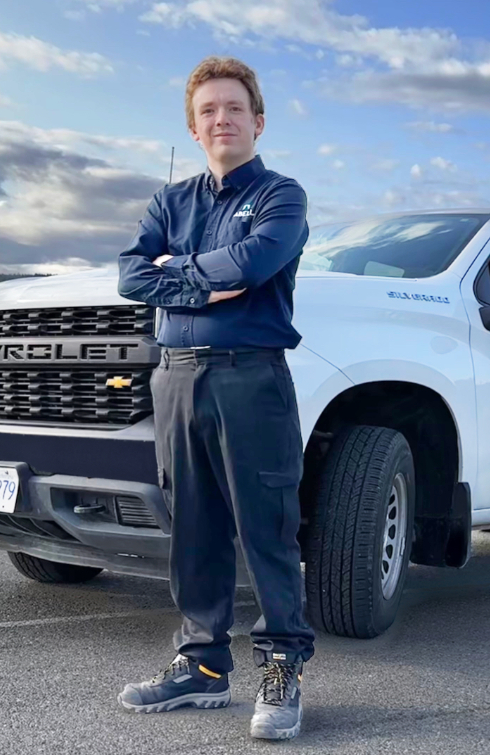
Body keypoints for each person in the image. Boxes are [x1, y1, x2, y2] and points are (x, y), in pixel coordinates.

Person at [113, 55, 315, 741]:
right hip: (174, 376)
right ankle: (201, 666)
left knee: (266, 526)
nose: (221, 119)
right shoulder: (169, 203)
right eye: (208, 111)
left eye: (233, 108)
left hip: (248, 376)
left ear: (258, 122)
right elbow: (129, 275)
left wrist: (175, 270)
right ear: (193, 129)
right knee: (192, 525)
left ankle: (281, 667)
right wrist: (204, 284)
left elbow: (254, 263)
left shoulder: (282, 196)